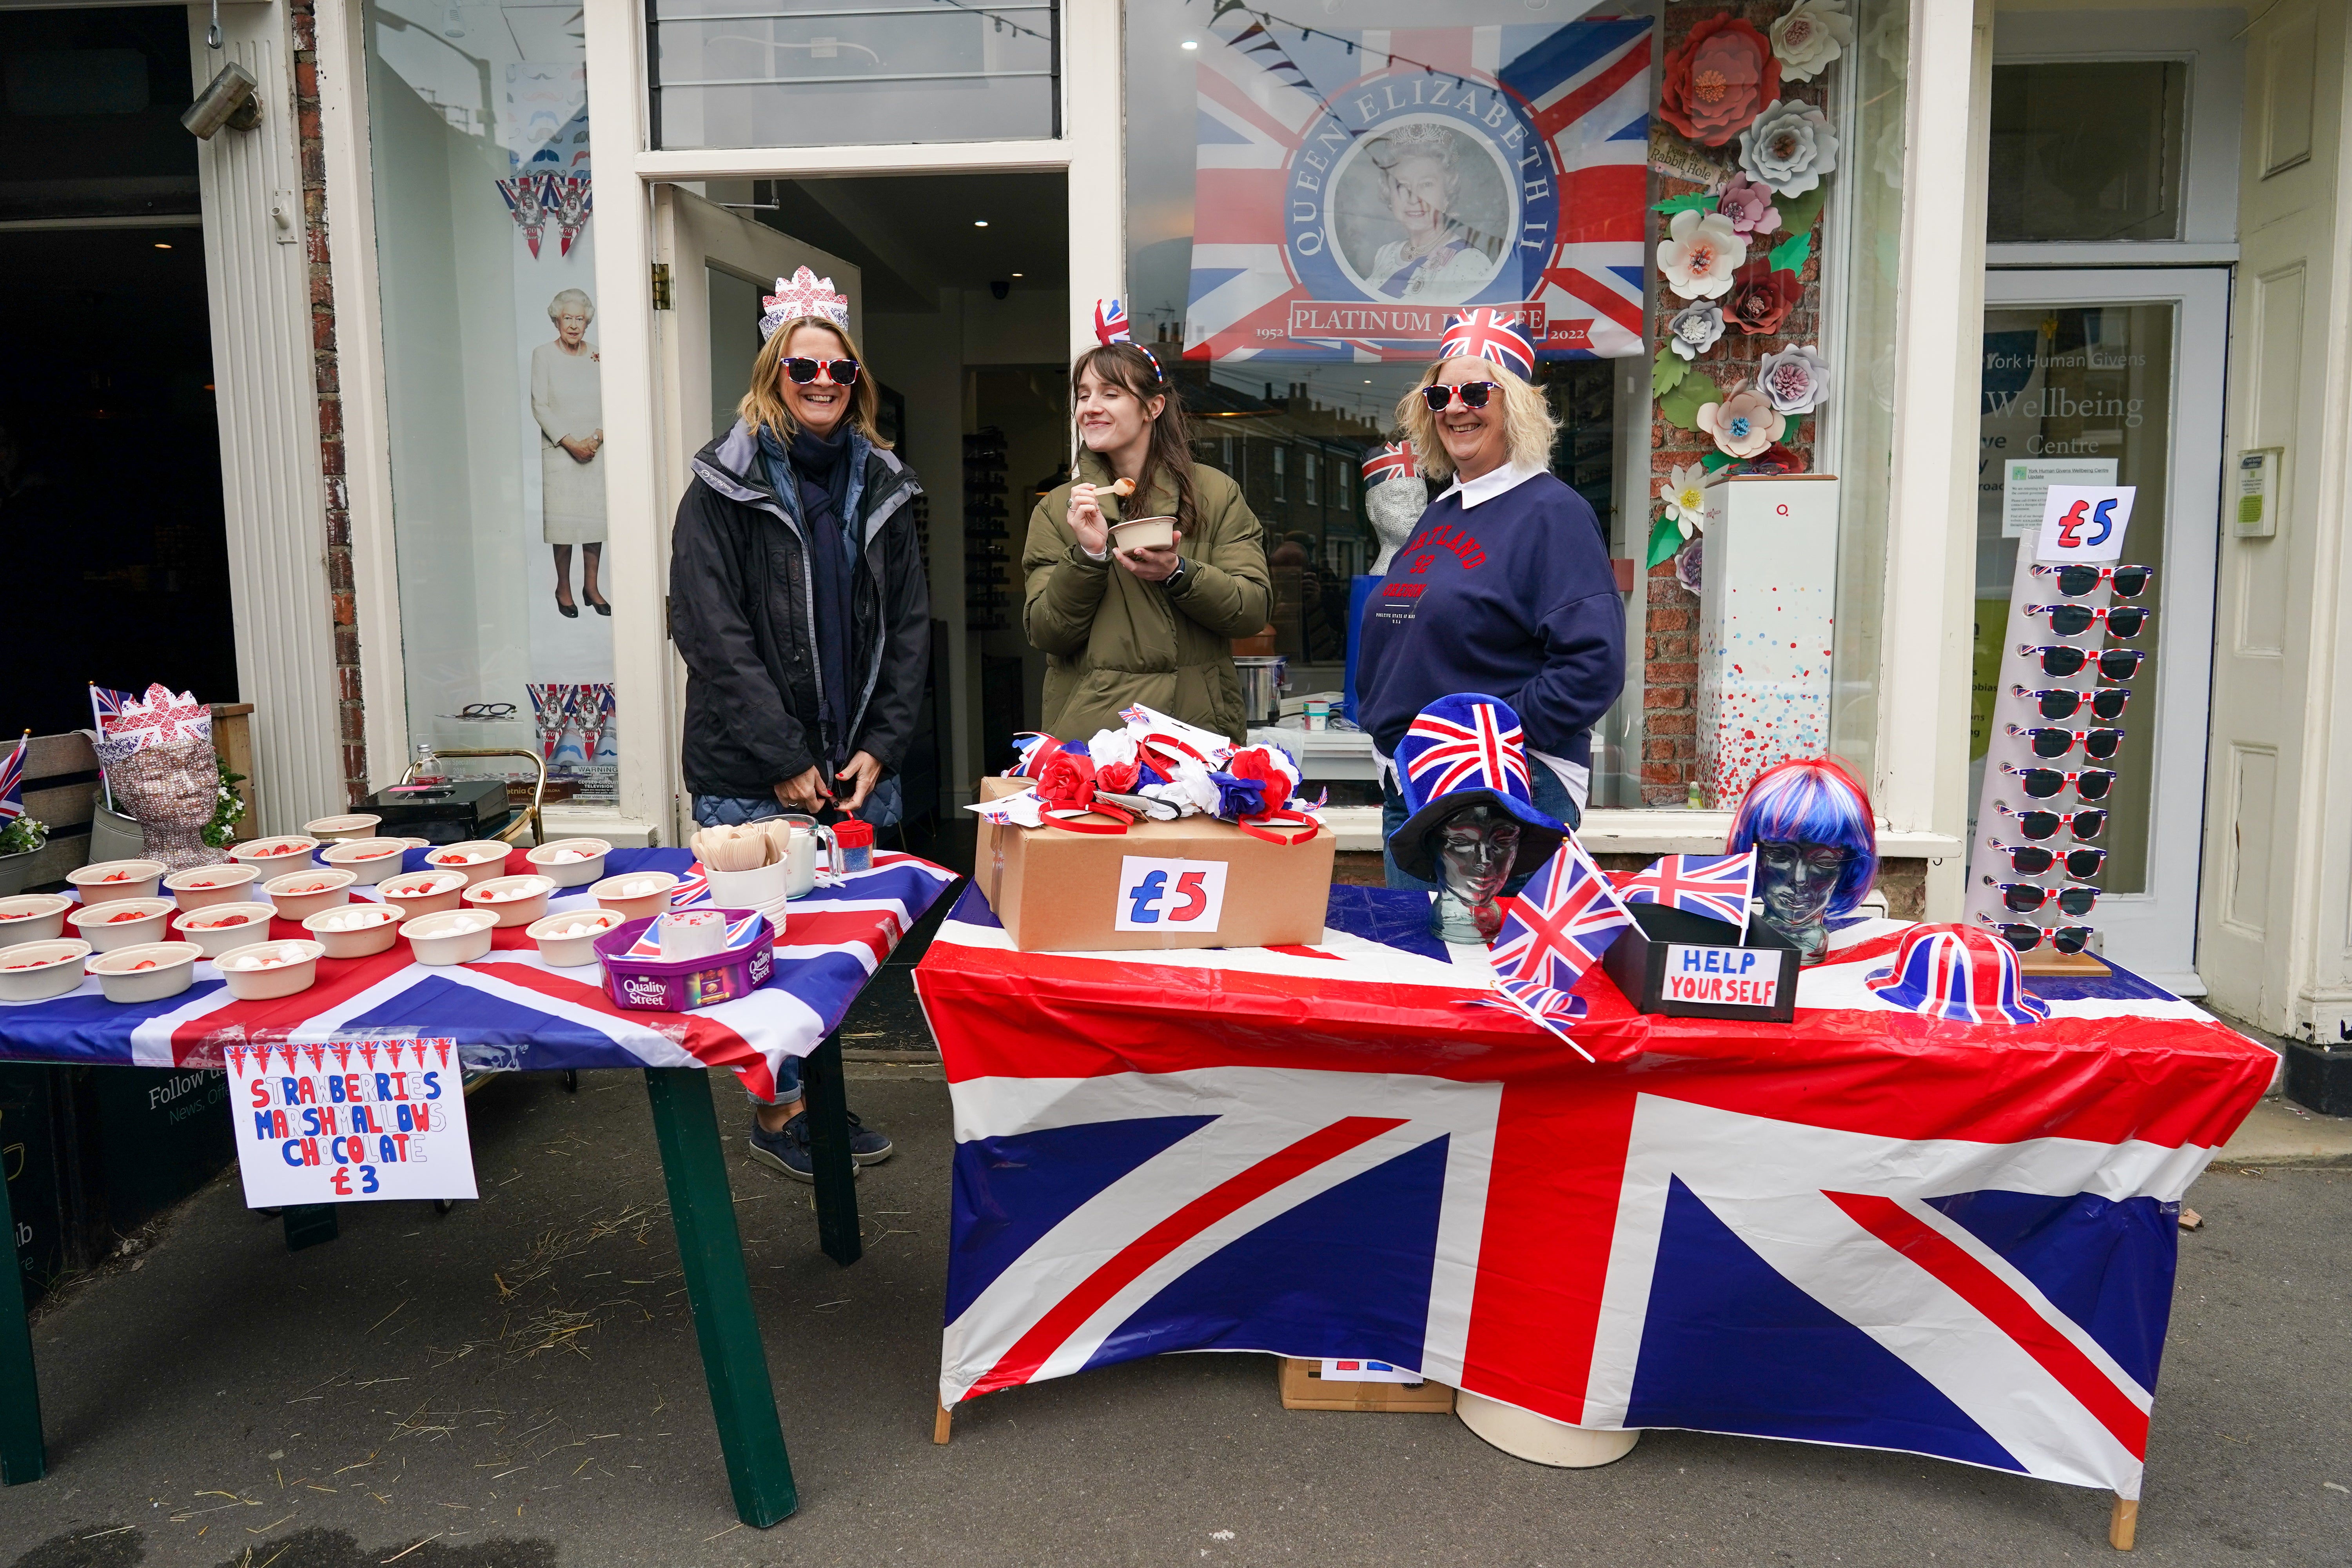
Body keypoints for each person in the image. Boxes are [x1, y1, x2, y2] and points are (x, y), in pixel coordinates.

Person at [667, 266, 929, 1181]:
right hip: (751, 767)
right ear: (773, 372)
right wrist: (781, 757)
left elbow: (908, 631)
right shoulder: (721, 486)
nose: (823, 382)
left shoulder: (886, 485)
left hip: (845, 765)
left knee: (830, 951)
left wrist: (879, 748)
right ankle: (779, 1114)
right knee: (757, 952)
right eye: (803, 367)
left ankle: (811, 1103)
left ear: (859, 383)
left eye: (840, 370)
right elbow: (711, 631)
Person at [1355, 309, 1626, 891]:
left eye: (1477, 391)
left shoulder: (1552, 513)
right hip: (1415, 782)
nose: (1456, 407)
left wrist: (1489, 740)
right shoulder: (1442, 511)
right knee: (1423, 969)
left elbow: (1591, 667)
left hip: (1496, 797)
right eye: (1440, 395)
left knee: (1483, 974)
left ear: (1518, 405)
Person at [1022, 301, 1271, 745]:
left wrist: (1180, 573)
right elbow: (1046, 632)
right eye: (1083, 395)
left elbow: (1251, 610)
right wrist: (1088, 555)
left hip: (1196, 735)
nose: (1090, 408)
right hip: (1094, 740)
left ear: (1152, 407)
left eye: (1110, 394)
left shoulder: (1215, 493)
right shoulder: (1060, 509)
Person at [1362, 125, 1501, 303]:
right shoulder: (1386, 253)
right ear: (1390, 196)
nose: (1414, 199)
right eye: (1403, 186)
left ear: (1447, 195)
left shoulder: (1469, 263)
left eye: (1427, 184)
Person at [533, 287, 608, 617]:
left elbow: (613, 397)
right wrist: (570, 442)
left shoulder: (600, 355)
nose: (574, 325)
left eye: (580, 319)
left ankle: (591, 587)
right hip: (561, 453)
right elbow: (540, 405)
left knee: (594, 523)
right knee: (564, 527)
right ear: (557, 321)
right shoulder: (543, 355)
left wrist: (596, 438)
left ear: (587, 322)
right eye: (568, 319)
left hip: (596, 450)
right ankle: (564, 587)